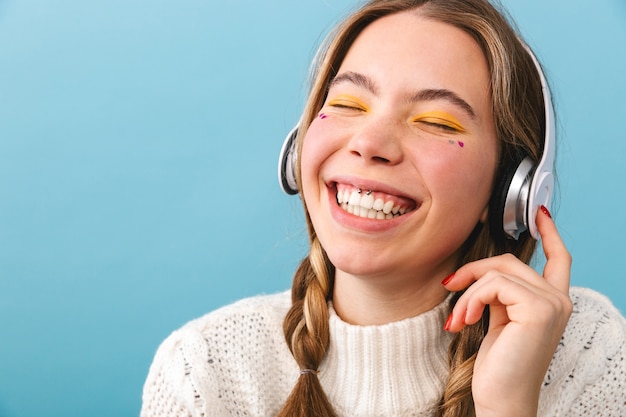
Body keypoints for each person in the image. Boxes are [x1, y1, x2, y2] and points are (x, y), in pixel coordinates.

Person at [140, 0, 626, 416]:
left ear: (509, 191)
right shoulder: (205, 370)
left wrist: (508, 407)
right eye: (349, 104)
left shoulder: (587, 350)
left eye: (435, 121)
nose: (370, 142)